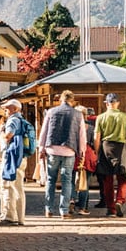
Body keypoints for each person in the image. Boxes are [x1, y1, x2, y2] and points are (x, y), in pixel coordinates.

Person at [39, 91, 86, 219]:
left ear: (60, 99)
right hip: (69, 150)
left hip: (52, 149)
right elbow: (82, 135)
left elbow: (44, 130)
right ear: (72, 100)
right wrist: (82, 151)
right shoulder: (78, 114)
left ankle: (48, 209)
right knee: (67, 181)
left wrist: (41, 148)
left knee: (50, 180)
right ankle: (64, 211)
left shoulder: (51, 111)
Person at [95, 94, 126, 217]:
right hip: (121, 147)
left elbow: (97, 137)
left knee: (107, 180)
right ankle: (120, 200)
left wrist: (97, 152)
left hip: (106, 147)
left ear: (106, 103)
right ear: (117, 103)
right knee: (123, 177)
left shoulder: (100, 117)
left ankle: (110, 208)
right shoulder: (125, 117)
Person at [0, 99, 31, 226]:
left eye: (7, 109)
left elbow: (8, 135)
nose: (5, 111)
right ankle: (20, 217)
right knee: (18, 187)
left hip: (12, 157)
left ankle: (10, 217)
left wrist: (2, 135)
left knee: (8, 186)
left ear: (15, 109)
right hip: (20, 157)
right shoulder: (22, 120)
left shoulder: (12, 120)